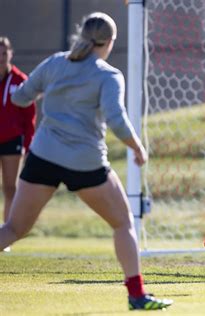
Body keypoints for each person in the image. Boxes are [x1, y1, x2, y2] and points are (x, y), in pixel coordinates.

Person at [0, 13, 172, 310]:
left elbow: (21, 97)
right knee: (122, 223)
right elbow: (116, 120)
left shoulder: (55, 62)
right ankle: (136, 295)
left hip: (43, 156)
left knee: (14, 228)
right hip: (85, 161)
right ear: (109, 42)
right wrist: (137, 147)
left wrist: (54, 94)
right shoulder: (108, 75)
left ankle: (138, 295)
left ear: (82, 35)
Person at [0, 37, 36, 252]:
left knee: (10, 188)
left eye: (4, 54)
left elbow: (29, 117)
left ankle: (6, 236)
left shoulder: (20, 80)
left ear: (10, 55)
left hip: (12, 141)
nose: (1, 58)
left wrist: (28, 144)